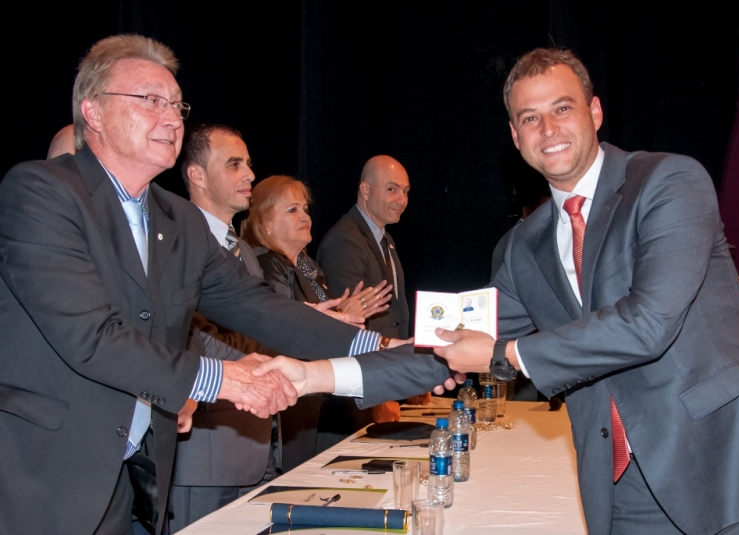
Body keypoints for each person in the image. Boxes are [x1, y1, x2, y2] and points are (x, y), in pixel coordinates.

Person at [0, 35, 450, 535]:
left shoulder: (177, 220)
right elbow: (91, 337)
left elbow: (259, 306)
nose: (172, 119)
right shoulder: (41, 191)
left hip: (127, 480)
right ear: (94, 112)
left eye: (176, 105)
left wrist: (383, 348)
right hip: (41, 476)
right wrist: (223, 379)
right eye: (150, 101)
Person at [430, 48, 739, 534]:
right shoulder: (524, 247)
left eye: (562, 108)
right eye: (530, 117)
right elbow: (457, 335)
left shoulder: (669, 181)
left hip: (731, 466)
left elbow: (648, 324)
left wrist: (507, 354)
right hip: (623, 489)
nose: (548, 129)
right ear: (515, 136)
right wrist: (334, 371)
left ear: (595, 112)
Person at [240, 174, 392, 470]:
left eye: (305, 209)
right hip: (291, 408)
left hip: (317, 404)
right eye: (292, 210)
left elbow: (319, 324)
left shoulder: (309, 269)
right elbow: (280, 330)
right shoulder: (268, 266)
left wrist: (343, 318)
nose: (304, 216)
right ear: (266, 222)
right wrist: (341, 316)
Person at [169, 124, 278, 532]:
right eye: (234, 165)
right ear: (196, 175)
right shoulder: (176, 243)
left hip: (256, 450)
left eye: (248, 163)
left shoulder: (244, 250)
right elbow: (189, 337)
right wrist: (268, 355)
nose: (250, 174)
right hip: (204, 457)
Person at [317, 156, 429, 446]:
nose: (402, 199)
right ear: (365, 190)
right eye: (392, 189)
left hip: (384, 380)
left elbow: (394, 316)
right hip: (358, 398)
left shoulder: (384, 238)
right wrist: (378, 393)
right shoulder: (345, 241)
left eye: (406, 191)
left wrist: (409, 375)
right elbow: (348, 328)